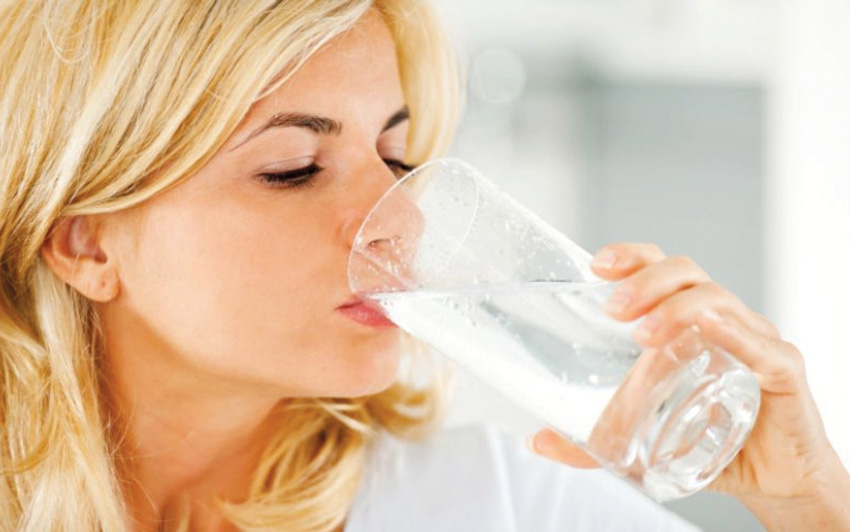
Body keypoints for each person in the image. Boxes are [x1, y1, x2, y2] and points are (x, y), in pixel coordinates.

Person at [0, 1, 847, 531]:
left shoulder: (492, 504)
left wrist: (805, 501)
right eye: (293, 167)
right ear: (83, 239)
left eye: (396, 156)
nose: (401, 219)